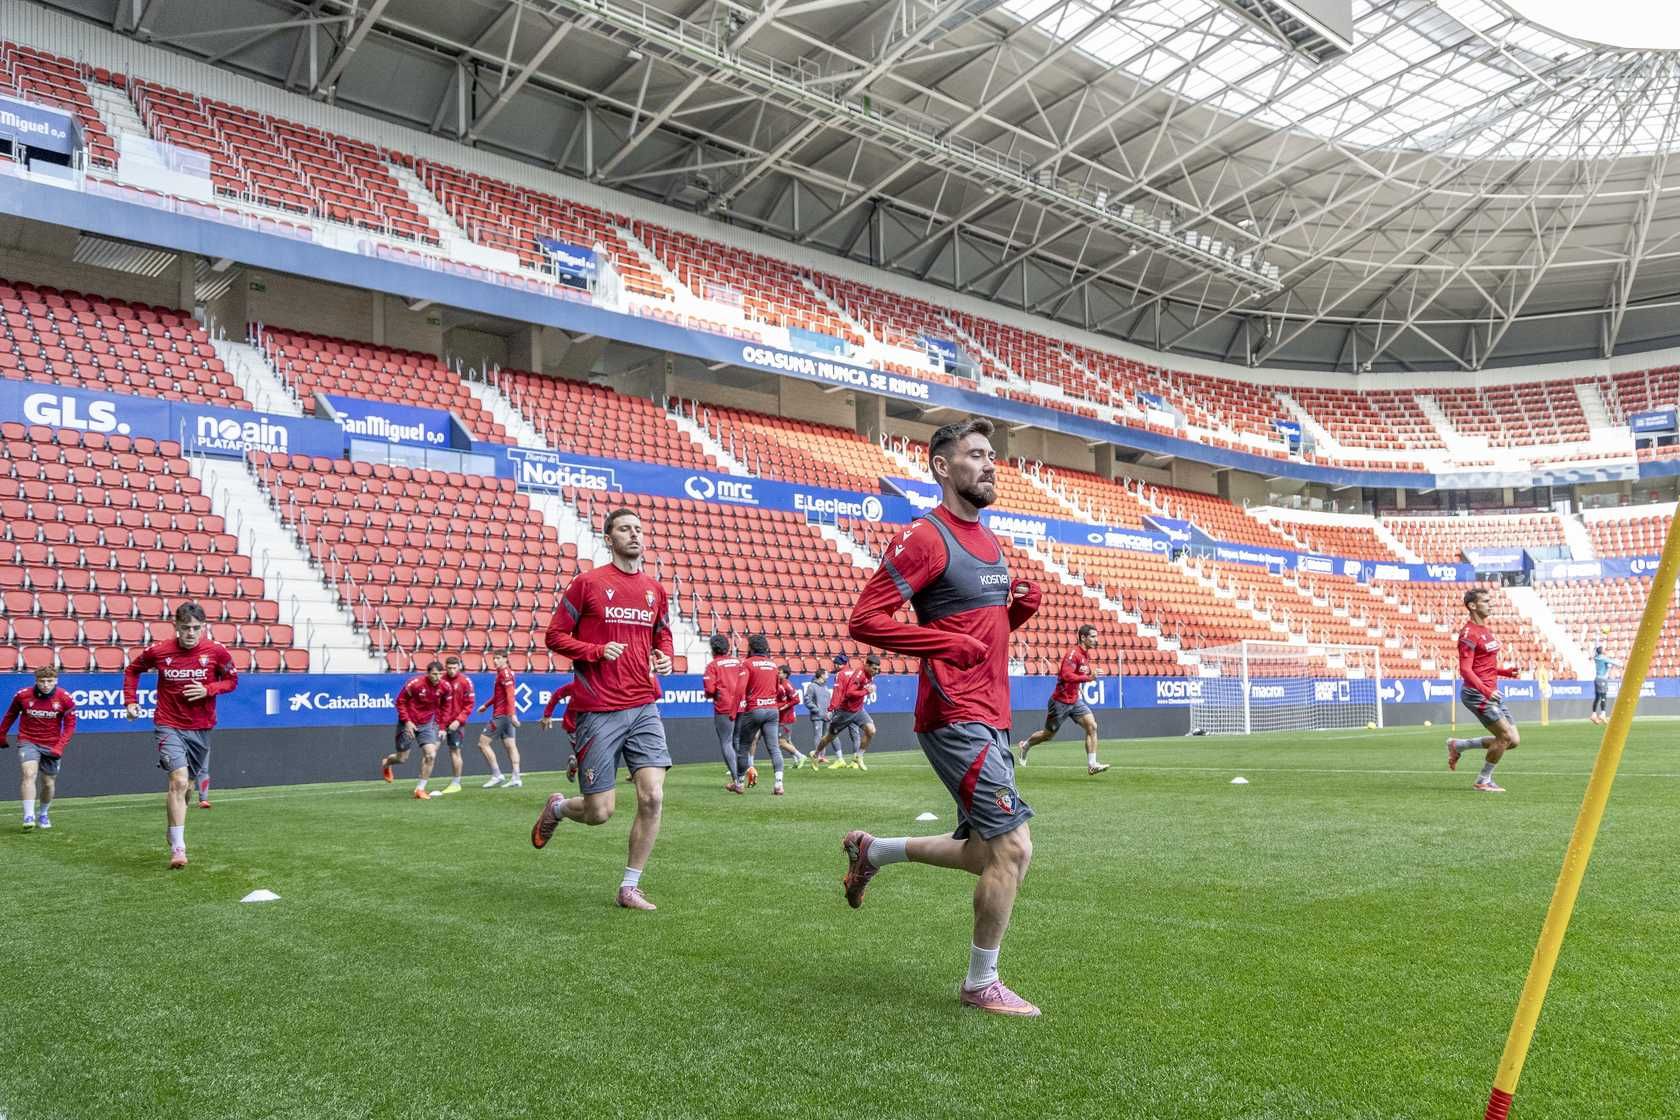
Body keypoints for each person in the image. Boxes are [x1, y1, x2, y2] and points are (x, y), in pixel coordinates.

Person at [839, 416, 1044, 1016]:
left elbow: (978, 633)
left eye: (991, 456)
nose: (989, 465)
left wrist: (1017, 615)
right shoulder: (927, 536)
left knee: (985, 853)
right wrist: (939, 645)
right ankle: (981, 982)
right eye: (976, 455)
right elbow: (864, 620)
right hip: (956, 714)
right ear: (941, 467)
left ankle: (873, 851)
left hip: (993, 713)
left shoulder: (989, 540)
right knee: (1014, 850)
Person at [532, 507, 674, 911]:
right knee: (599, 812)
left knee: (652, 798)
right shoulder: (587, 585)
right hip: (598, 708)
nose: (634, 535)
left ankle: (629, 887)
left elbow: (662, 635)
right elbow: (555, 636)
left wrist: (664, 655)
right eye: (625, 529)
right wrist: (595, 650)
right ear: (608, 539)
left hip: (644, 704)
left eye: (638, 529)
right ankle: (558, 808)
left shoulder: (654, 589)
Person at [123, 602, 238, 869]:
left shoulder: (216, 651)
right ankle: (178, 848)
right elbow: (132, 670)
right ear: (176, 626)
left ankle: (173, 828)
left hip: (200, 727)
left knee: (187, 787)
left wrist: (209, 689)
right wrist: (130, 701)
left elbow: (232, 681)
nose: (191, 633)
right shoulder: (160, 651)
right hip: (168, 723)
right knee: (178, 780)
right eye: (185, 628)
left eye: (196, 628)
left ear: (203, 627)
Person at [1446, 587, 1522, 793]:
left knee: (1512, 741)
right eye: (1486, 601)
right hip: (1477, 693)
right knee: (1505, 737)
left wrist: (1504, 672)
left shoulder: (1485, 631)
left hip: (1489, 690)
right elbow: (1465, 670)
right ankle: (1483, 780)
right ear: (1472, 606)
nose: (1491, 604)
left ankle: (1458, 745)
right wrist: (1486, 692)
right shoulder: (1468, 634)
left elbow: (1484, 666)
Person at [1017, 624, 1109, 774]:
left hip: (1075, 700)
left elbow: (1079, 673)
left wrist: (1091, 673)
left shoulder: (1086, 655)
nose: (1095, 639)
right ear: (1083, 637)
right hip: (1060, 702)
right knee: (1048, 735)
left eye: (1095, 636)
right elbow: (1066, 675)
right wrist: (1089, 677)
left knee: (1092, 726)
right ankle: (1026, 745)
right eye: (1092, 636)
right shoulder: (1073, 653)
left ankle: (1092, 764)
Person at [3, 665, 77, 831]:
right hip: (28, 740)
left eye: (49, 681)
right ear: (36, 681)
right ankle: (28, 815)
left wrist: (59, 747)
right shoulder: (22, 696)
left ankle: (43, 813)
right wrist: (2, 734)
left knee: (48, 783)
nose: (45, 684)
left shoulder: (65, 699)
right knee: (29, 774)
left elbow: (70, 726)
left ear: (56, 681)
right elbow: (10, 715)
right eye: (42, 681)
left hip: (52, 744)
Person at [381, 661, 447, 799]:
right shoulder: (415, 683)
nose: (438, 677)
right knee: (402, 758)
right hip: (408, 723)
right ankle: (387, 763)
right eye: (435, 674)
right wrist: (407, 721)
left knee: (431, 755)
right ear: (428, 673)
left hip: (427, 724)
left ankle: (420, 789)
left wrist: (441, 726)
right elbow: (400, 701)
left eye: (440, 674)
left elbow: (444, 707)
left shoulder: (445, 687)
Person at [733, 635, 785, 795]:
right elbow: (777, 689)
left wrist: (734, 710)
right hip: (772, 709)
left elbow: (740, 689)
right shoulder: (773, 665)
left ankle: (739, 783)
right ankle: (778, 784)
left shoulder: (747, 664)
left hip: (754, 709)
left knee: (743, 746)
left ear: (751, 648)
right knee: (774, 748)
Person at [702, 634, 748, 792]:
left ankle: (737, 781)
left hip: (725, 706)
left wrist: (709, 695)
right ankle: (743, 774)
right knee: (737, 740)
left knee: (726, 741)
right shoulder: (738, 661)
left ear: (713, 648)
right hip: (742, 705)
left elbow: (709, 689)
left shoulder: (713, 665)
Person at [818, 653, 880, 770]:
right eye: (874, 668)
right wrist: (867, 691)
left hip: (857, 710)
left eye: (877, 669)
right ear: (867, 665)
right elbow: (848, 693)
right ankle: (816, 754)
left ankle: (858, 757)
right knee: (830, 736)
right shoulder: (856, 674)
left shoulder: (867, 674)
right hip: (845, 711)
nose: (876, 671)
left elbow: (840, 692)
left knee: (870, 730)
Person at [474, 651, 524, 788]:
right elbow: (499, 695)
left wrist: (513, 714)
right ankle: (516, 777)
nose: (495, 661)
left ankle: (497, 774)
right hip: (506, 715)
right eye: (494, 658)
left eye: (498, 658)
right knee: (510, 746)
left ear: (505, 659)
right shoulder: (504, 673)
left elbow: (510, 696)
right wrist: (486, 705)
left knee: (483, 743)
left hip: (502, 716)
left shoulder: (505, 674)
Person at [430, 656, 472, 797]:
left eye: (454, 668)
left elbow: (469, 705)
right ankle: (422, 783)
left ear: (459, 666)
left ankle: (456, 783)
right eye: (449, 668)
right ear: (445, 668)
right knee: (430, 751)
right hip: (439, 722)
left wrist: (458, 721)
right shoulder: (441, 681)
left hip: (456, 724)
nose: (452, 671)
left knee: (454, 751)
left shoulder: (465, 682)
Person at [539, 679, 580, 782]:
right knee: (587, 757)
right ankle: (575, 765)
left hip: (591, 726)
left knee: (591, 756)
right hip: (573, 727)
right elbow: (557, 694)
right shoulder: (576, 686)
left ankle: (574, 763)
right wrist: (547, 715)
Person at [776, 664, 806, 771]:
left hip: (786, 718)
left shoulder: (787, 685)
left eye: (779, 672)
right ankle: (796, 760)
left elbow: (796, 699)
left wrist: (784, 706)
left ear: (785, 674)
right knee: (787, 741)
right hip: (781, 717)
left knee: (780, 742)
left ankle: (801, 756)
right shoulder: (778, 683)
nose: (777, 673)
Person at [802, 666, 833, 764]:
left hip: (827, 716)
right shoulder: (812, 686)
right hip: (817, 716)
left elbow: (828, 700)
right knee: (818, 736)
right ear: (821, 675)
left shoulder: (825, 686)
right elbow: (807, 700)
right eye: (826, 674)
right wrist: (816, 710)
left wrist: (829, 711)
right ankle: (817, 756)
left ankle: (822, 756)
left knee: (825, 737)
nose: (828, 675)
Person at [1589, 644, 1615, 725]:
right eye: (1604, 649)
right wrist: (1622, 665)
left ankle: (1594, 714)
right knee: (1603, 696)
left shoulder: (1598, 658)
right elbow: (1613, 662)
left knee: (1597, 697)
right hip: (1602, 679)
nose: (1605, 650)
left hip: (1597, 679)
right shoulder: (1603, 657)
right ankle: (1603, 714)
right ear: (1601, 651)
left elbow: (1607, 665)